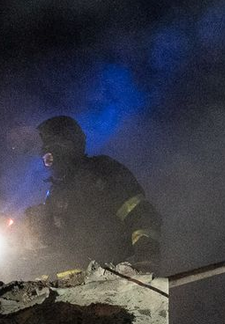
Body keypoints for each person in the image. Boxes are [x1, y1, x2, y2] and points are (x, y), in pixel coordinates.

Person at [22, 115, 162, 273]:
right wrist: (43, 230)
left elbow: (142, 215)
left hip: (118, 272)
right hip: (83, 280)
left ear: (66, 147)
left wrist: (145, 259)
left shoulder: (102, 172)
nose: (46, 160)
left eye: (49, 155)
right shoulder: (55, 193)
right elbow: (64, 245)